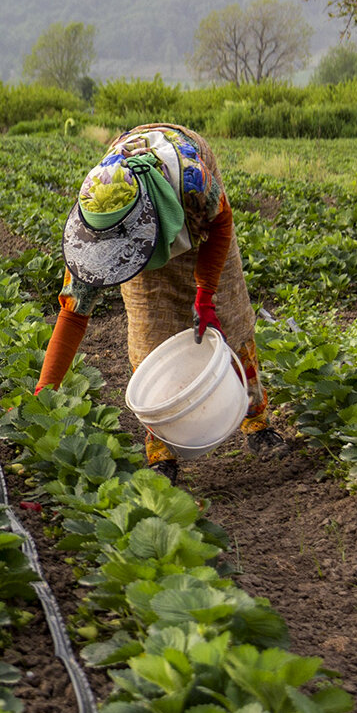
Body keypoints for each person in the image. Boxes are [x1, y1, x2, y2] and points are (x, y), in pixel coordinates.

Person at [34, 123, 283, 484]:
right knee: (150, 334)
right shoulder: (95, 221)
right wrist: (45, 391)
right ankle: (160, 451)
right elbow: (73, 313)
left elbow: (221, 219)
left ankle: (256, 420)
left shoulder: (193, 179)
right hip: (136, 222)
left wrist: (206, 292)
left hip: (195, 214)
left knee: (231, 317)